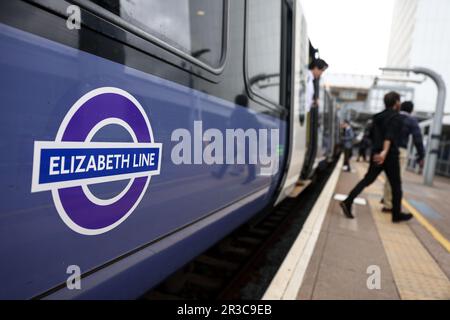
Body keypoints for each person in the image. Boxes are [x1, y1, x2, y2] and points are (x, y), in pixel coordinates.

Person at [340, 92, 413, 223]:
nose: (400, 103)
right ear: (396, 102)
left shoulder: (377, 117)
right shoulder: (396, 117)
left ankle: (348, 201)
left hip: (376, 154)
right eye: (399, 101)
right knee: (396, 186)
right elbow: (389, 136)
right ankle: (396, 214)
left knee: (367, 180)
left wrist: (377, 151)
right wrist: (384, 152)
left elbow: (371, 136)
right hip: (388, 155)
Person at [382, 101, 425, 212]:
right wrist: (421, 155)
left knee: (388, 177)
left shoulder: (393, 117)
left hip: (387, 149)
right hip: (400, 151)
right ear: (411, 110)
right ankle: (389, 205)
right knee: (396, 179)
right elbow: (418, 139)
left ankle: (386, 200)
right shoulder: (411, 120)